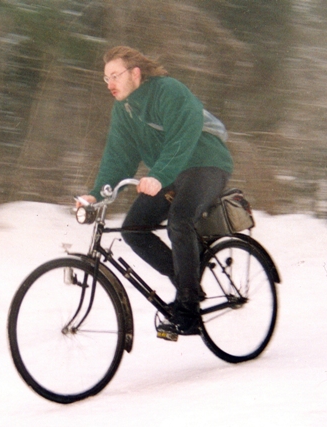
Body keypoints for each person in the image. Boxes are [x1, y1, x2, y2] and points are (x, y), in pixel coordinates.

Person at [76, 46, 234, 335]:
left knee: (180, 220)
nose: (110, 84)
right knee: (133, 229)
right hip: (170, 173)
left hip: (206, 163)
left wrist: (158, 175)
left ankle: (187, 309)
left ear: (135, 73)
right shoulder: (124, 110)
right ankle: (188, 284)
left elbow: (183, 136)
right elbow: (118, 157)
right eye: (106, 78)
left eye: (115, 75)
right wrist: (96, 194)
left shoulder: (168, 91)